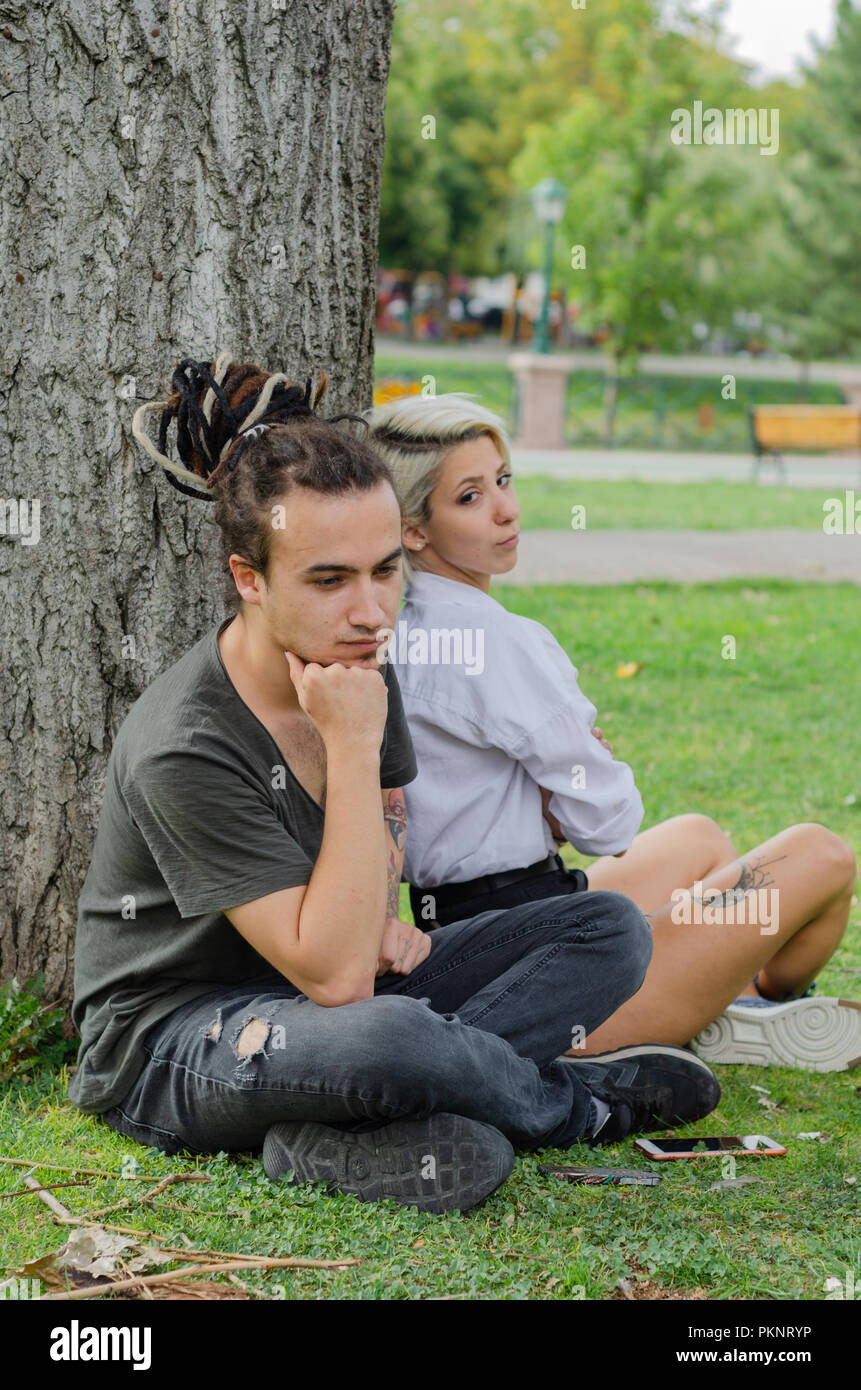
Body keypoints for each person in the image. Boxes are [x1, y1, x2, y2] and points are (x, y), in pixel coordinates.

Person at [65, 354, 720, 1216]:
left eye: (384, 570)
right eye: (329, 580)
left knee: (608, 928)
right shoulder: (183, 744)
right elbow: (339, 981)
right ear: (248, 579)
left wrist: (375, 913)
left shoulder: (354, 659)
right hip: (175, 1037)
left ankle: (344, 1128)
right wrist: (347, 748)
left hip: (326, 995)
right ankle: (567, 1107)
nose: (371, 611)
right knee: (387, 1034)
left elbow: (373, 881)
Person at [366, 391, 861, 1073]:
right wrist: (560, 796)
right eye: (470, 498)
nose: (506, 510)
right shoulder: (498, 640)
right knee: (821, 853)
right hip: (561, 982)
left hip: (460, 938)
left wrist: (540, 799)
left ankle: (724, 1000)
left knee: (697, 840)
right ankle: (755, 1000)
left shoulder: (393, 622)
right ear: (414, 529)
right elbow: (609, 823)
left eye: (503, 481)